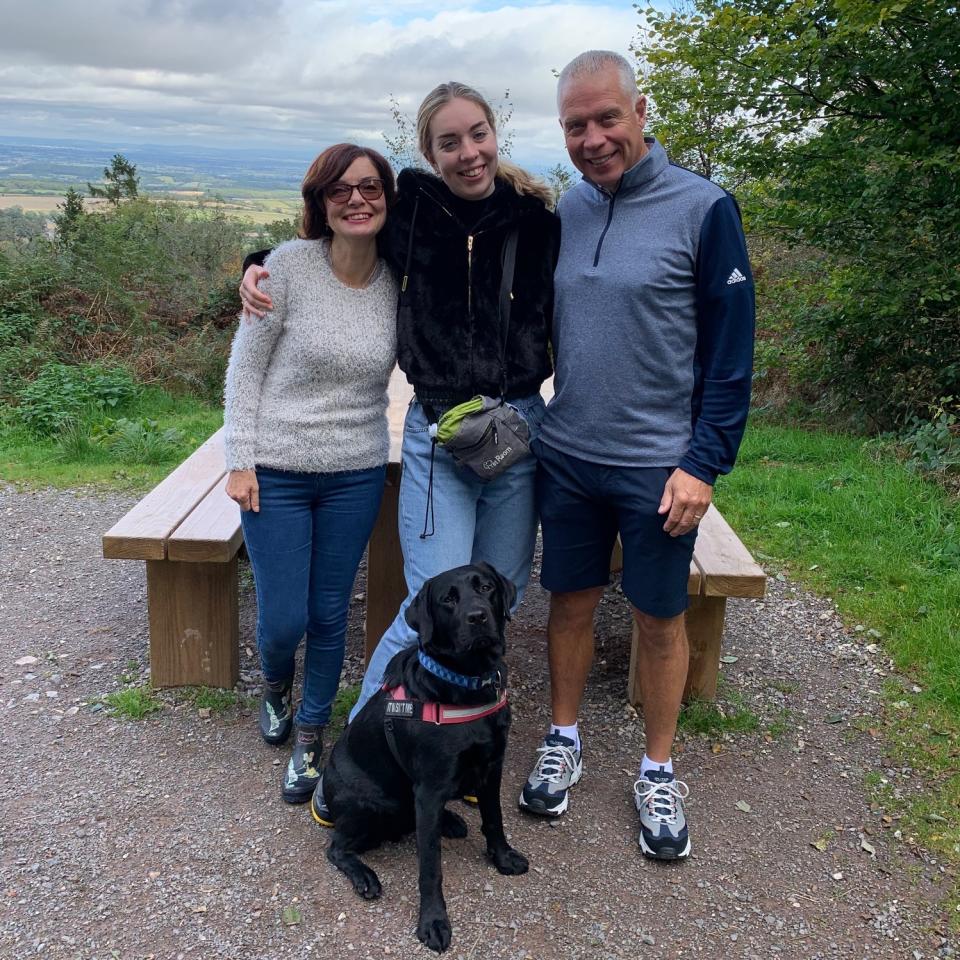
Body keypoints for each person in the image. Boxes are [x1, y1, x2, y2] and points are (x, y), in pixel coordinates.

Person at [239, 83, 559, 820]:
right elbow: (333, 244)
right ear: (428, 151)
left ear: (493, 133)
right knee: (433, 600)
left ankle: (463, 734)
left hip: (518, 430)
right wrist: (257, 262)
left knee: (499, 592)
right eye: (450, 142)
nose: (468, 152)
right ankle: (353, 755)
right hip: (441, 432)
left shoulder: (538, 220)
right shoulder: (411, 208)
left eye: (477, 134)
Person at [517, 51, 755, 861]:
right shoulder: (569, 210)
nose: (593, 138)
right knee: (571, 603)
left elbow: (731, 355)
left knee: (659, 617)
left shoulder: (704, 207)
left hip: (660, 468)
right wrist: (262, 264)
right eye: (575, 125)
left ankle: (657, 768)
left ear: (641, 111)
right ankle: (563, 737)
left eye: (606, 118)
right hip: (569, 451)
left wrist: (705, 463)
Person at [224, 143, 398, 804]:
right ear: (320, 202)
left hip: (355, 470)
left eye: (370, 187)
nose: (356, 200)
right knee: (285, 618)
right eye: (340, 190)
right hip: (277, 470)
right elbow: (246, 368)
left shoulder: (398, 278)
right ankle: (274, 683)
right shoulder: (286, 268)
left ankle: (308, 740)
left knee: (331, 614)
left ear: (387, 198)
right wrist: (239, 459)